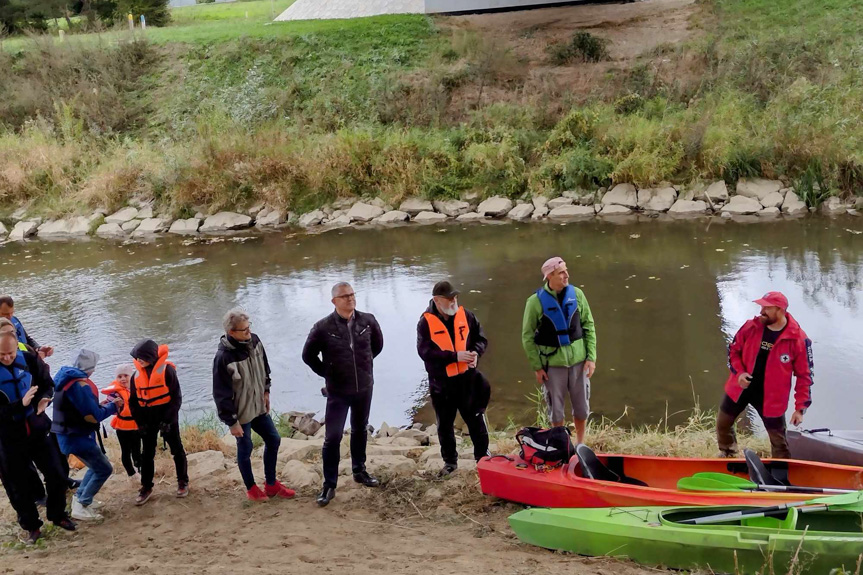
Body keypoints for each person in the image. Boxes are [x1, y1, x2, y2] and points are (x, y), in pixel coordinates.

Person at [302, 282, 384, 507]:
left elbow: (377, 346)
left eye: (352, 295)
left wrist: (363, 366)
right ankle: (329, 484)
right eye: (344, 296)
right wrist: (328, 374)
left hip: (364, 387)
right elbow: (308, 356)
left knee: (360, 429)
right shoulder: (322, 327)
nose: (350, 299)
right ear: (334, 301)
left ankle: (360, 471)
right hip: (337, 392)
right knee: (333, 437)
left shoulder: (368, 321)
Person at [717, 292, 814, 459]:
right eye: (761, 306)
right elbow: (733, 351)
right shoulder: (750, 327)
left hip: (771, 397)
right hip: (741, 388)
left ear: (780, 310)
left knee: (778, 441)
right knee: (722, 424)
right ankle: (728, 454)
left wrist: (800, 408)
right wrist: (739, 373)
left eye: (767, 307)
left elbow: (805, 376)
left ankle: (780, 472)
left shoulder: (798, 339)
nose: (761, 310)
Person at [0, 333, 75, 544]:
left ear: (16, 347)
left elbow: (47, 383)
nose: (7, 358)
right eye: (2, 354)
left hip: (37, 427)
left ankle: (58, 515)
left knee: (57, 473)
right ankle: (32, 526)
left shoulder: (30, 359)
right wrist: (19, 405)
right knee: (18, 485)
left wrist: (44, 399)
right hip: (8, 436)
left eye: (11, 353)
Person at [213, 308, 295, 501]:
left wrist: (266, 391)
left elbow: (265, 368)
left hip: (258, 406)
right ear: (231, 332)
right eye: (244, 330)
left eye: (249, 328)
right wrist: (231, 422)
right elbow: (220, 393)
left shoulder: (255, 341)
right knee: (245, 448)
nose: (249, 333)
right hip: (240, 413)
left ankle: (272, 484)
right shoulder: (223, 358)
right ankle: (251, 489)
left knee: (274, 439)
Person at [417, 281, 491, 476]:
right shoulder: (425, 322)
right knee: (445, 425)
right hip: (442, 384)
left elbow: (481, 339)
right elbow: (425, 352)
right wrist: (454, 357)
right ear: (437, 300)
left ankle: (482, 457)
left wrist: (475, 353)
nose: (453, 301)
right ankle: (450, 462)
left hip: (468, 380)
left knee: (476, 420)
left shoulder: (466, 316)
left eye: (455, 297)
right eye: (449, 298)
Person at [522, 257, 597, 445]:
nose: (567, 275)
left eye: (566, 270)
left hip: (579, 362)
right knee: (556, 410)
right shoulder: (535, 302)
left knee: (581, 408)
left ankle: (580, 444)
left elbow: (589, 325)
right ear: (549, 276)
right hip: (552, 364)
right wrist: (537, 366)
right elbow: (527, 336)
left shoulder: (577, 294)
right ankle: (562, 446)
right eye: (561, 272)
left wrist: (591, 357)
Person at [51, 349, 122, 521]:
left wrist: (102, 405)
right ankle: (82, 503)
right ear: (89, 367)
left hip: (68, 436)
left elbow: (82, 408)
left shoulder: (66, 379)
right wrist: (113, 406)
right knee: (104, 469)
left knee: (95, 466)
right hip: (76, 438)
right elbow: (93, 416)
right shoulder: (79, 385)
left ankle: (81, 499)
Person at [129, 339, 189, 505]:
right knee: (147, 454)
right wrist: (139, 423)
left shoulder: (167, 371)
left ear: (150, 356)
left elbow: (176, 398)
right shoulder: (136, 376)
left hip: (167, 418)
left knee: (177, 449)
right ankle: (146, 487)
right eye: (137, 357)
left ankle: (183, 482)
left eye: (141, 357)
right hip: (147, 420)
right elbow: (133, 402)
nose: (138, 360)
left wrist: (168, 420)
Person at [101, 364, 142, 480]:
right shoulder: (115, 393)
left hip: (136, 425)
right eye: (119, 376)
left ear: (131, 376)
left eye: (126, 375)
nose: (123, 379)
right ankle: (131, 474)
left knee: (137, 449)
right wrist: (113, 404)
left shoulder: (136, 388)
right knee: (126, 451)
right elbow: (110, 409)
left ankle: (139, 468)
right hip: (122, 426)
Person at [0, 295, 54, 359]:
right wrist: (35, 358)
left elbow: (27, 339)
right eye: (5, 314)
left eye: (11, 313)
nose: (9, 316)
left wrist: (39, 348)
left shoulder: (15, 320)